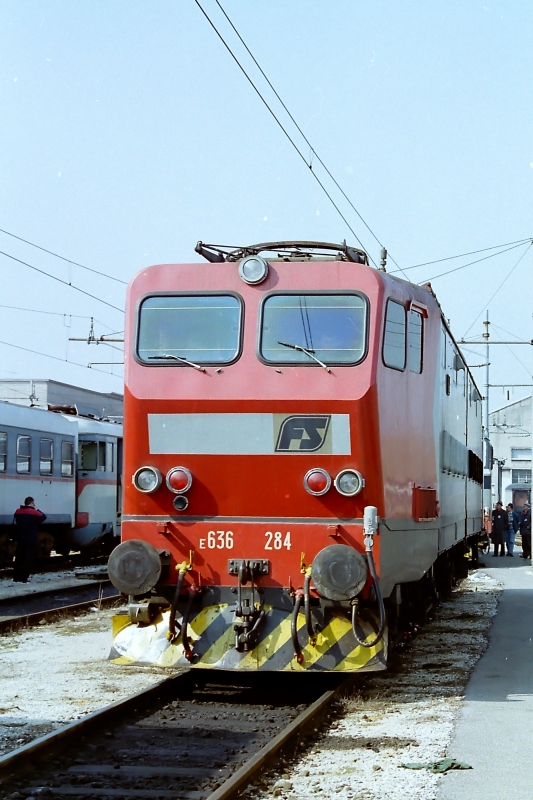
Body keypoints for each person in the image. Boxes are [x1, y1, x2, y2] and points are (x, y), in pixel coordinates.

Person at [13, 496, 47, 583]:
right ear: (31, 503)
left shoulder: (18, 511)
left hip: (20, 538)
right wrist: (36, 509)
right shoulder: (33, 512)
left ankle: (16, 577)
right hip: (30, 539)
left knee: (19, 558)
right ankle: (24, 577)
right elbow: (43, 516)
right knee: (28, 559)